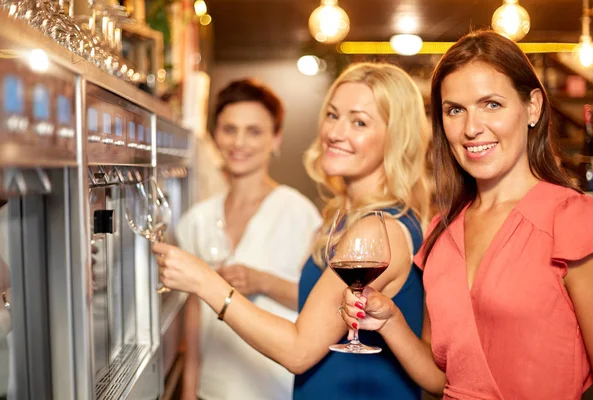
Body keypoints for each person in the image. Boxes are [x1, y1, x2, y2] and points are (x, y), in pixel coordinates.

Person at [340, 30, 593, 400]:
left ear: (533, 108)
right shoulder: (442, 233)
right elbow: (441, 378)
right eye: (455, 110)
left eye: (491, 104)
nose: (471, 128)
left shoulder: (575, 220)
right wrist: (389, 321)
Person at [153, 62, 431, 399]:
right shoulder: (348, 220)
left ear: (395, 137)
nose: (335, 132)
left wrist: (203, 281)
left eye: (359, 122)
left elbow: (299, 351)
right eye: (332, 115)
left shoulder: (373, 230)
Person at [175, 78, 322, 400]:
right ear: (215, 135)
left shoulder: (299, 213)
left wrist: (263, 281)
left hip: (274, 386)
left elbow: (319, 305)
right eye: (229, 129)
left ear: (276, 138)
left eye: (254, 131)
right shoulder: (195, 220)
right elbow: (194, 314)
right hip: (212, 387)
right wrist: (189, 390)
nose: (239, 142)